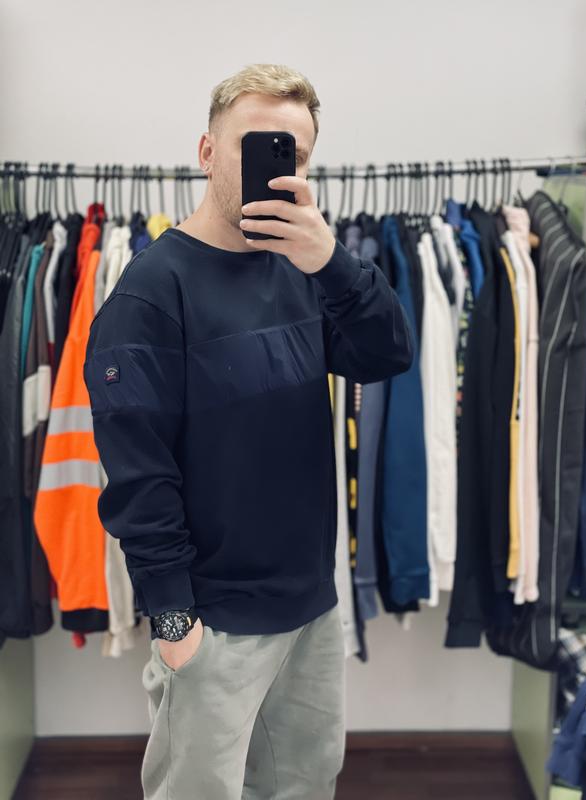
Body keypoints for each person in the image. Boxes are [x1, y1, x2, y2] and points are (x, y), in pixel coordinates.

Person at [83, 62, 414, 800]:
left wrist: (331, 261)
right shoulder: (149, 293)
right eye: (253, 144)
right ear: (207, 152)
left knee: (306, 786)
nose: (275, 164)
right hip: (214, 622)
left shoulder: (306, 269)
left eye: (293, 152)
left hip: (311, 609)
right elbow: (139, 474)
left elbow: (387, 353)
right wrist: (175, 622)